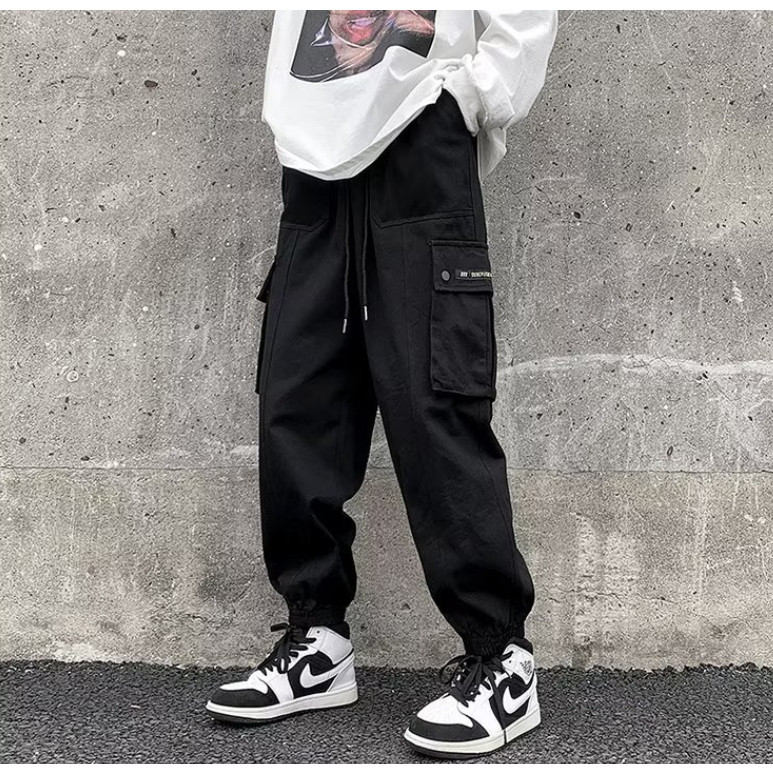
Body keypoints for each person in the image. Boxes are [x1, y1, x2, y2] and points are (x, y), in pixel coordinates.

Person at [206, 9, 558, 759]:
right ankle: (318, 640)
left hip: (418, 138)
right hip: (313, 151)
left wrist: (467, 97)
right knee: (298, 401)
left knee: (435, 406)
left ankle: (502, 658)